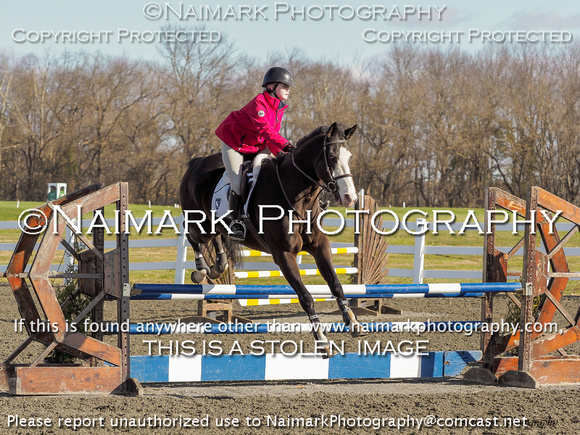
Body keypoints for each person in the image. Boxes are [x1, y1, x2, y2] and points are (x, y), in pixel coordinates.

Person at [215, 66, 295, 240]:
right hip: (235, 145)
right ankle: (235, 223)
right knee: (237, 182)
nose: (288, 90)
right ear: (271, 86)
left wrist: (284, 154)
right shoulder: (258, 103)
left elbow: (271, 137)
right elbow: (265, 130)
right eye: (285, 86)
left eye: (288, 87)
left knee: (280, 166)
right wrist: (287, 145)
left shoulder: (278, 108)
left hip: (257, 145)